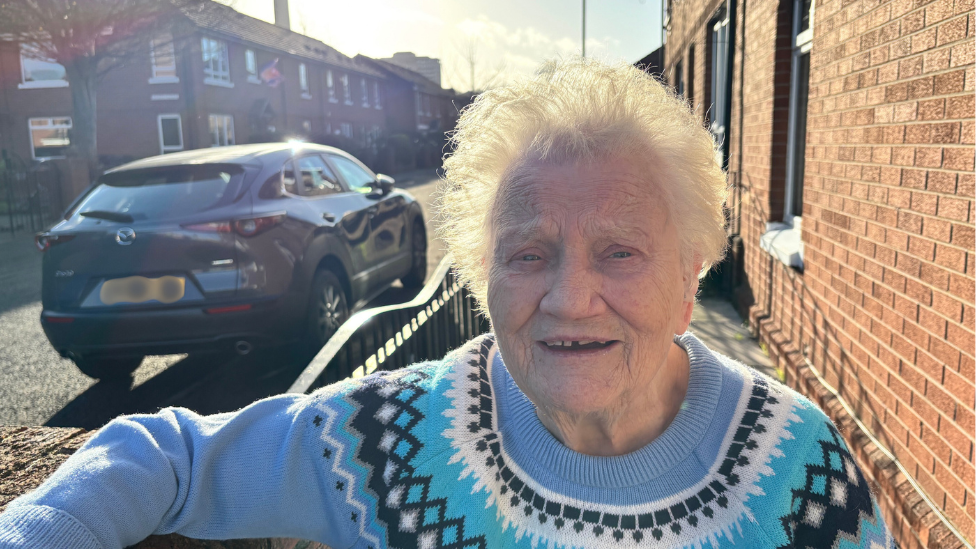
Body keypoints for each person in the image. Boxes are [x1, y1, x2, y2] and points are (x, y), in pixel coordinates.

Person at [0, 58, 894, 549]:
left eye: (619, 250)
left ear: (697, 260)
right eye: (528, 253)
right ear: (481, 268)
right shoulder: (396, 440)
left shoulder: (799, 471)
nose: (568, 297)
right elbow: (173, 456)